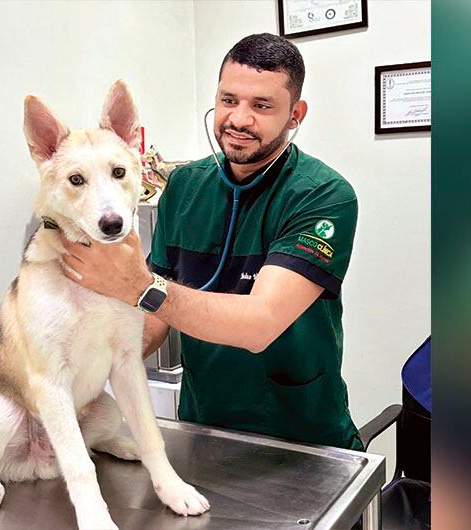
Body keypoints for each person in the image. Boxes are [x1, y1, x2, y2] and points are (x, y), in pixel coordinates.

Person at [61, 33, 362, 450]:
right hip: (205, 426)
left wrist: (140, 286)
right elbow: (154, 317)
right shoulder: (183, 186)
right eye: (228, 100)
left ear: (296, 115)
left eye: (261, 105)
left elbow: (260, 323)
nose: (238, 119)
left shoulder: (323, 195)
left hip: (300, 434)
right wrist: (87, 375)